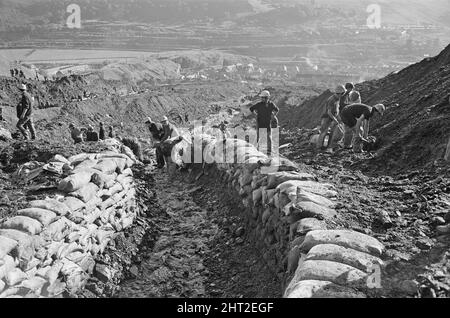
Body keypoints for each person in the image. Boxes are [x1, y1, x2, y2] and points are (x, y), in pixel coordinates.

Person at [249, 90, 279, 156]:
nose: (262, 99)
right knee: (259, 138)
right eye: (262, 97)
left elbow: (277, 109)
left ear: (267, 98)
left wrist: (273, 115)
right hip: (260, 123)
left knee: (268, 137)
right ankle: (257, 151)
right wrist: (255, 114)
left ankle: (269, 151)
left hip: (267, 123)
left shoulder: (271, 104)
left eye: (263, 97)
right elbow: (251, 109)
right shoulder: (259, 104)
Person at [317, 85, 345, 151]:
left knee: (331, 132)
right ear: (340, 93)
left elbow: (336, 109)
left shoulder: (337, 98)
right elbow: (329, 112)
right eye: (342, 93)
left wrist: (338, 118)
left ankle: (328, 146)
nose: (343, 95)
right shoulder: (332, 100)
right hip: (327, 118)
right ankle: (319, 147)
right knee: (323, 132)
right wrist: (335, 119)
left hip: (331, 118)